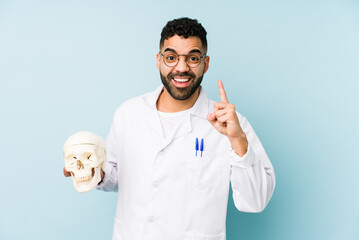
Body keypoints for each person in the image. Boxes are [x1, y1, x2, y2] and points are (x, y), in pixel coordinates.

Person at [64, 17, 275, 240]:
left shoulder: (230, 124)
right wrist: (92, 171)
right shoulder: (129, 113)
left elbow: (255, 201)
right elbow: (116, 176)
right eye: (171, 57)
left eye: (193, 58)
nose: (181, 68)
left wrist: (238, 140)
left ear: (206, 63)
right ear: (158, 60)